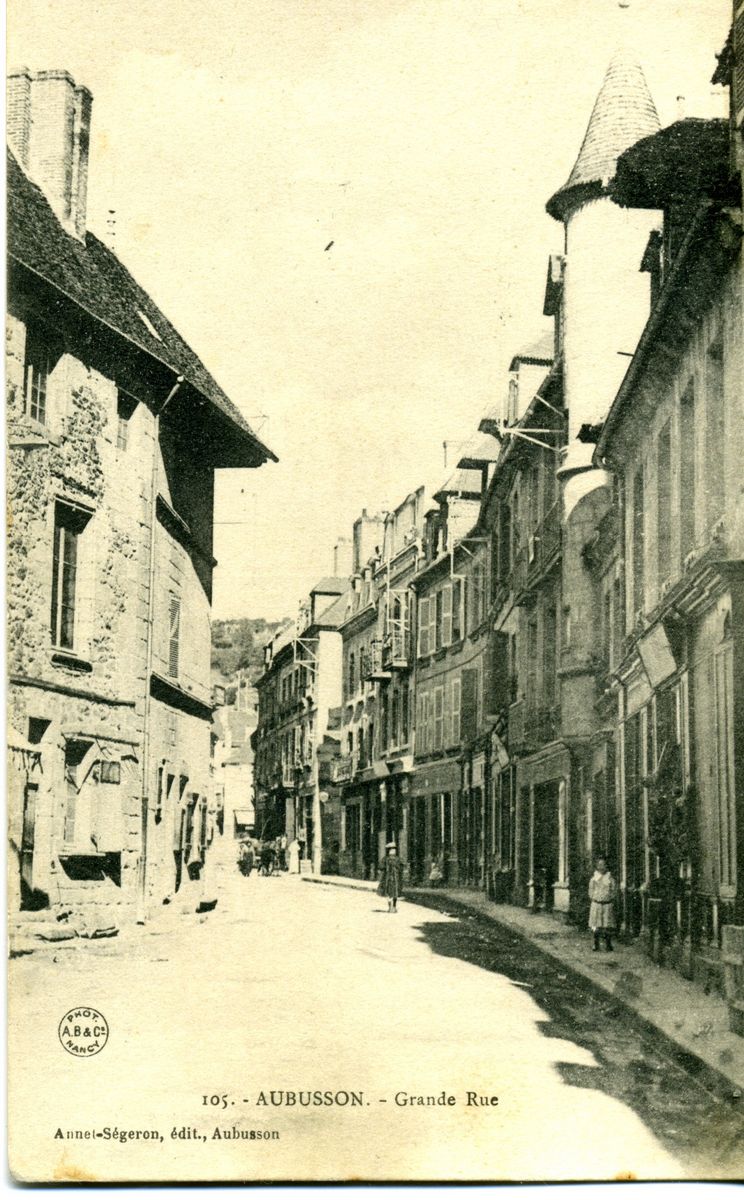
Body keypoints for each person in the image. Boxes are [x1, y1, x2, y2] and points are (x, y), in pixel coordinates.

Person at [589, 856, 617, 952]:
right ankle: (595, 943)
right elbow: (590, 891)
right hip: (596, 904)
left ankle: (608, 944)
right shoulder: (593, 879)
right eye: (599, 865)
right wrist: (596, 898)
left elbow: (614, 891)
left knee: (607, 925)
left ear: (606, 866)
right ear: (597, 866)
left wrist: (608, 898)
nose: (601, 867)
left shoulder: (610, 879)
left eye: (603, 865)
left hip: (607, 904)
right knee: (595, 925)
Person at [377, 841, 404, 913]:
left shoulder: (385, 859)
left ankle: (390, 908)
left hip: (387, 878)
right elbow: (402, 867)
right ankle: (394, 907)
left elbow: (380, 867)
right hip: (396, 879)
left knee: (388, 893)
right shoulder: (398, 859)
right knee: (395, 893)